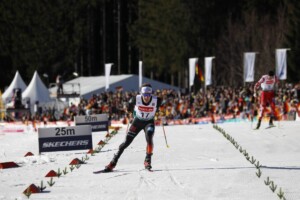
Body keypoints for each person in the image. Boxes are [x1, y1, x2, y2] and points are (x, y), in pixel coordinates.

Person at [104, 83, 162, 172]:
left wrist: (158, 111)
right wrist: (130, 111)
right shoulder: (135, 99)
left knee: (149, 137)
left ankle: (147, 160)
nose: (146, 97)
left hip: (149, 122)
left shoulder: (157, 100)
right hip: (137, 122)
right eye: (144, 95)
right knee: (126, 143)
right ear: (141, 94)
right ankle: (113, 162)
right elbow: (128, 108)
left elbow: (158, 107)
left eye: (148, 95)